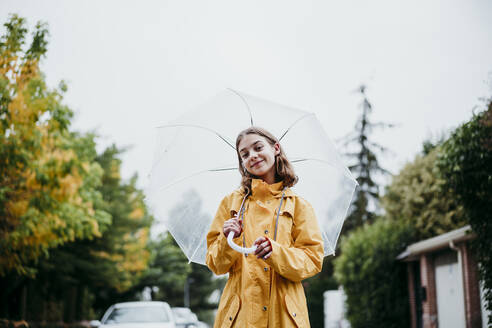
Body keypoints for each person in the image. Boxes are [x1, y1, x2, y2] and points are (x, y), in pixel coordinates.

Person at [206, 126, 324, 328]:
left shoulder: (299, 206)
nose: (252, 156)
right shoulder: (231, 204)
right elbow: (216, 264)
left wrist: (275, 252)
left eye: (258, 147)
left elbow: (312, 260)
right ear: (242, 162)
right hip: (239, 319)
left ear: (275, 148)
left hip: (283, 318)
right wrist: (227, 239)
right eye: (244, 154)